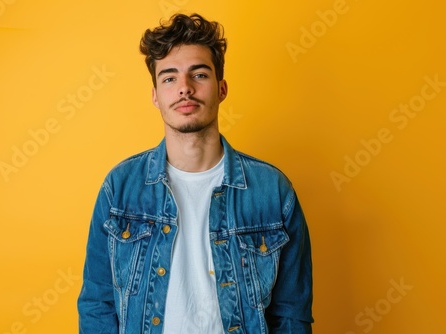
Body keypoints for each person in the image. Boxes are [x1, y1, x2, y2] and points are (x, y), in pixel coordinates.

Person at [77, 13, 313, 333]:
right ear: (156, 96)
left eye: (199, 74)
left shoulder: (272, 191)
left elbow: (291, 314)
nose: (184, 88)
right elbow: (97, 302)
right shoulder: (119, 188)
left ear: (222, 88)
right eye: (169, 78)